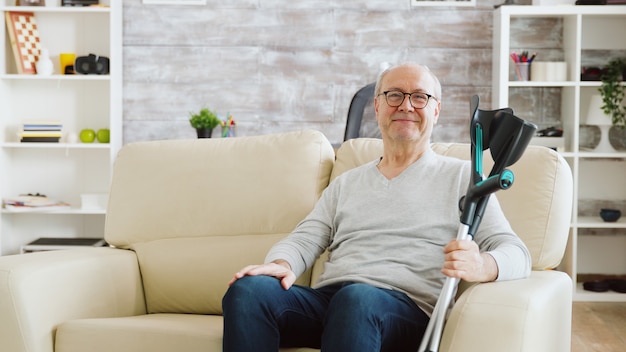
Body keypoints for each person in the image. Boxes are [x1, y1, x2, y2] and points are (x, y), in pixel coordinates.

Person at [222, 62, 531, 352]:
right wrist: (282, 264)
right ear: (378, 106)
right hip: (334, 302)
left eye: (420, 97)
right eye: (394, 95)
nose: (406, 106)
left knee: (357, 299)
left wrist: (481, 265)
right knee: (249, 290)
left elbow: (517, 253)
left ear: (436, 110)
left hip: (405, 311)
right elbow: (306, 237)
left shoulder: (465, 177)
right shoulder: (347, 182)